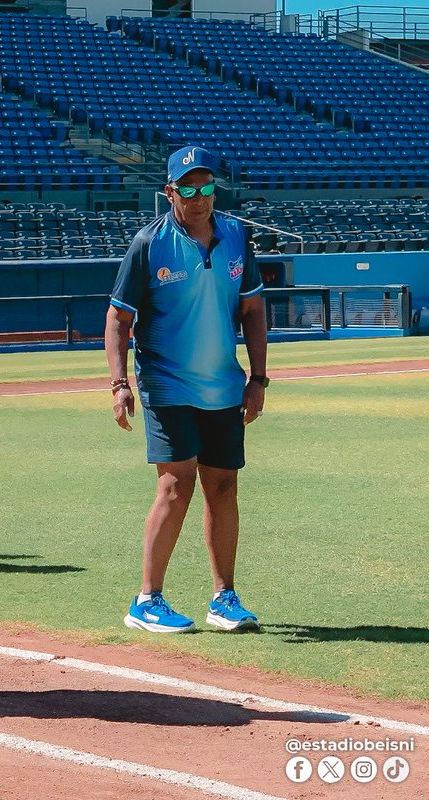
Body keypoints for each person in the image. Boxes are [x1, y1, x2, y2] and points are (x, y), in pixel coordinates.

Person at [105, 146, 268, 634]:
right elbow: (118, 318)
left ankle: (224, 598)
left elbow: (254, 311)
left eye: (207, 188)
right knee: (176, 485)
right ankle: (146, 600)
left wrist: (258, 378)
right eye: (189, 189)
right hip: (166, 381)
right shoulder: (148, 243)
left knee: (223, 485)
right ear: (170, 192)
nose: (200, 198)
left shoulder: (237, 236)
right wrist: (119, 383)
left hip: (224, 384)